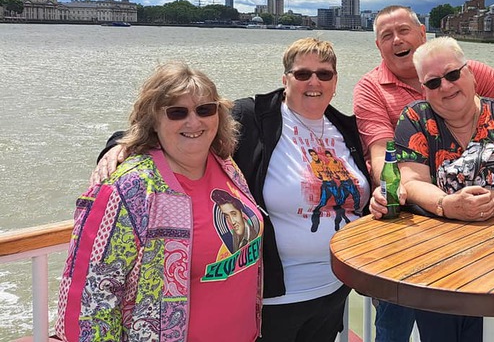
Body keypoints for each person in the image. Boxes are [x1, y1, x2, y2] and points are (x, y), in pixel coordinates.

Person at [92, 38, 371, 342]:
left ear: (335, 82)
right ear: (285, 79)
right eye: (303, 74)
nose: (314, 82)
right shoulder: (254, 118)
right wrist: (119, 145)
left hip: (333, 288)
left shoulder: (346, 129)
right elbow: (192, 123)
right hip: (275, 299)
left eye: (324, 74)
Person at [353, 5, 494, 341]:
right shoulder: (406, 111)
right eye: (434, 82)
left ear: (472, 74)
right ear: (424, 89)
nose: (446, 86)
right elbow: (392, 166)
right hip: (426, 249)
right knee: (398, 325)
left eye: (453, 76)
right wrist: (419, 197)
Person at [57, 61, 264, 341]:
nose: (194, 122)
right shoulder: (129, 188)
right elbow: (89, 302)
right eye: (177, 112)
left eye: (205, 109)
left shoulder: (225, 165)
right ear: (153, 119)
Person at [213, 188, 261, 253]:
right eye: (227, 216)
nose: (232, 222)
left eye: (234, 214)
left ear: (241, 213)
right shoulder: (235, 236)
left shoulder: (252, 236)